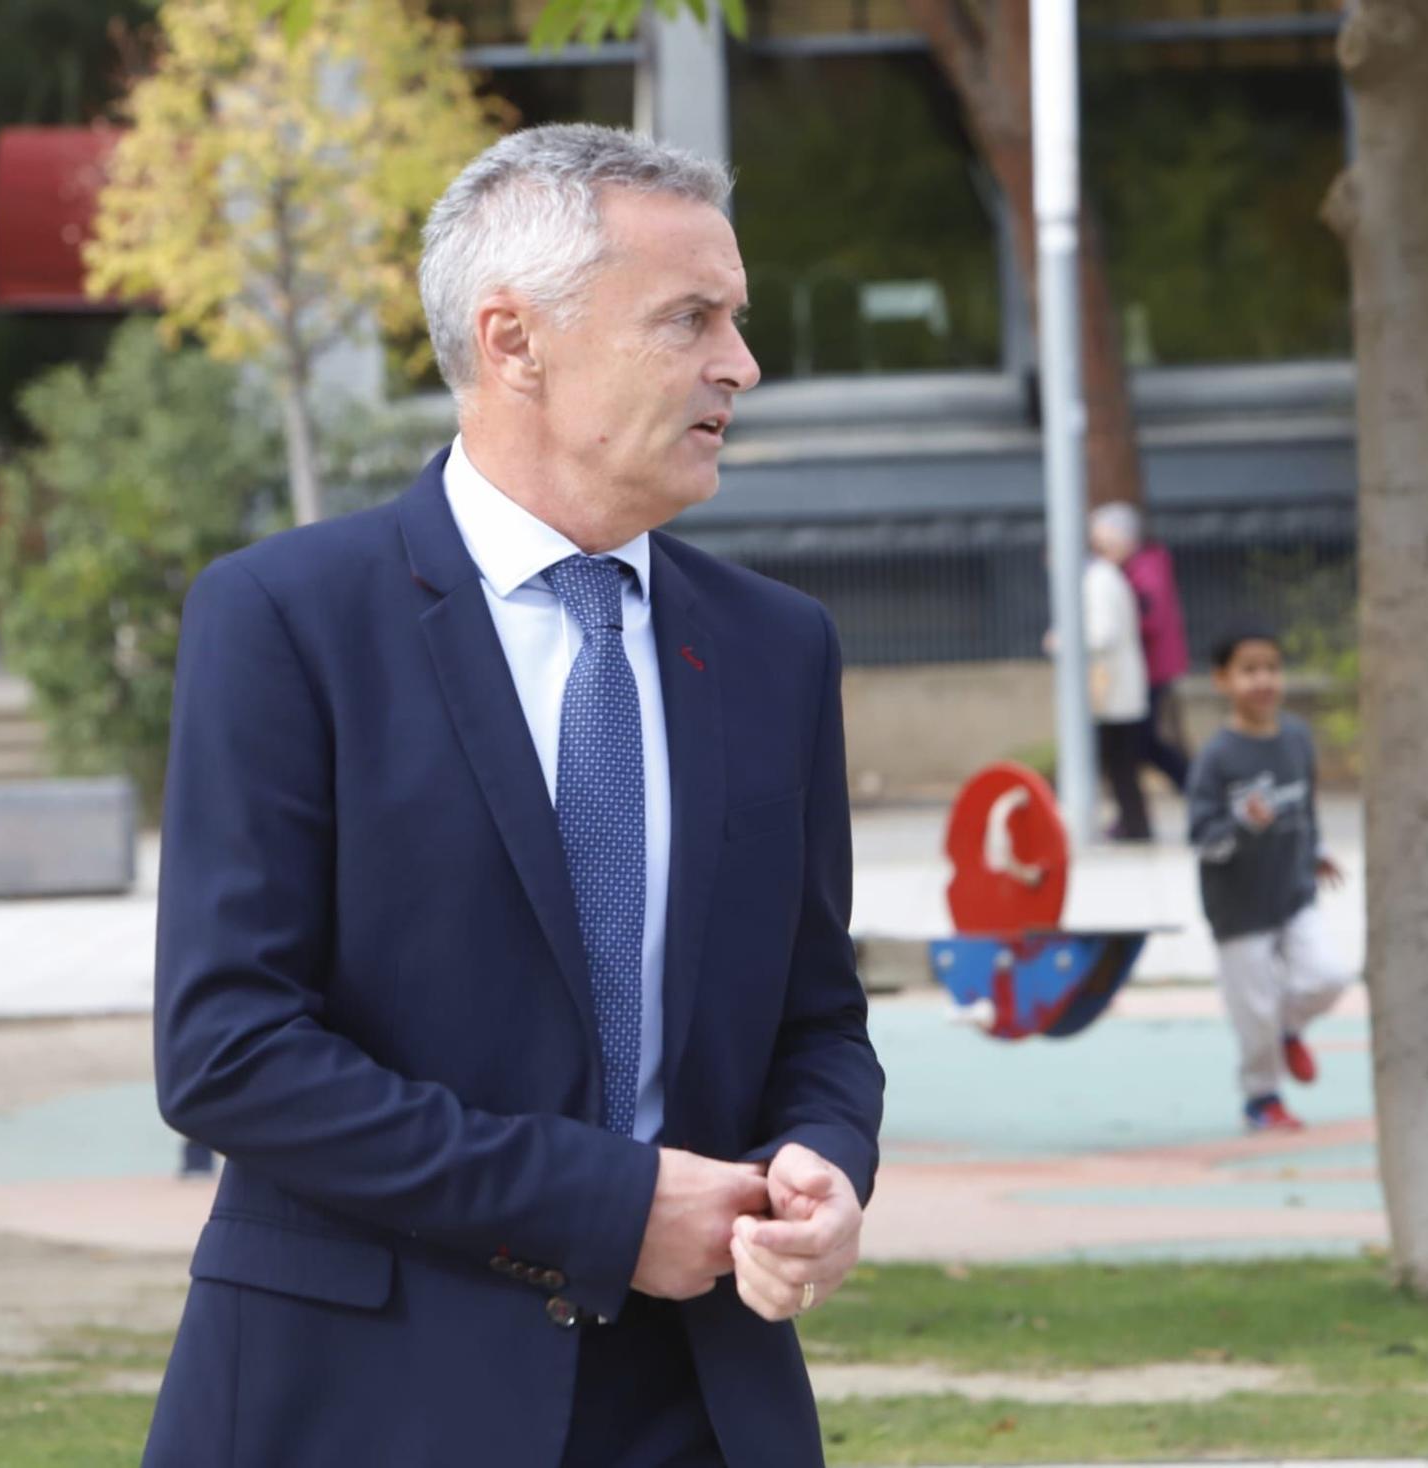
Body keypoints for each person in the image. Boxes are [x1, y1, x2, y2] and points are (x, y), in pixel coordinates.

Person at [142, 125, 884, 1468]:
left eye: (739, 320)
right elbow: (229, 1054)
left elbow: (817, 1017)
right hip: (362, 1399)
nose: (742, 365)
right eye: (692, 319)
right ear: (515, 340)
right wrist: (603, 1207)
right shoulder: (284, 621)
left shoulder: (778, 648)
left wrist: (825, 1168)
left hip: (703, 1402)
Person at [1186, 626, 1351, 1133]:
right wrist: (1243, 825)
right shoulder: (1218, 758)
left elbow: (1305, 806)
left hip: (1293, 891)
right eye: (1249, 670)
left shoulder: (1297, 738)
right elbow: (1202, 837)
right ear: (1222, 680)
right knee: (1252, 1012)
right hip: (1239, 909)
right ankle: (1262, 1099)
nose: (1263, 680)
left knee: (1328, 976)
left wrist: (1317, 850)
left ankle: (1290, 1029)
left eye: (1271, 668)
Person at [1090, 502, 1191, 792]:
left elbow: (1150, 619)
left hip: (1151, 668)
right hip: (1147, 666)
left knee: (1139, 742)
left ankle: (1192, 784)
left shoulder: (1145, 569)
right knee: (1138, 742)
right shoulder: (1138, 568)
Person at [1086, 510, 1152, 841]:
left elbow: (1103, 635)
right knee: (1122, 765)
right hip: (1120, 689)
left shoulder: (1099, 578)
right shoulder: (1111, 576)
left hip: (1111, 691)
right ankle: (1133, 824)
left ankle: (1132, 825)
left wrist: (1066, 641)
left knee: (1116, 764)